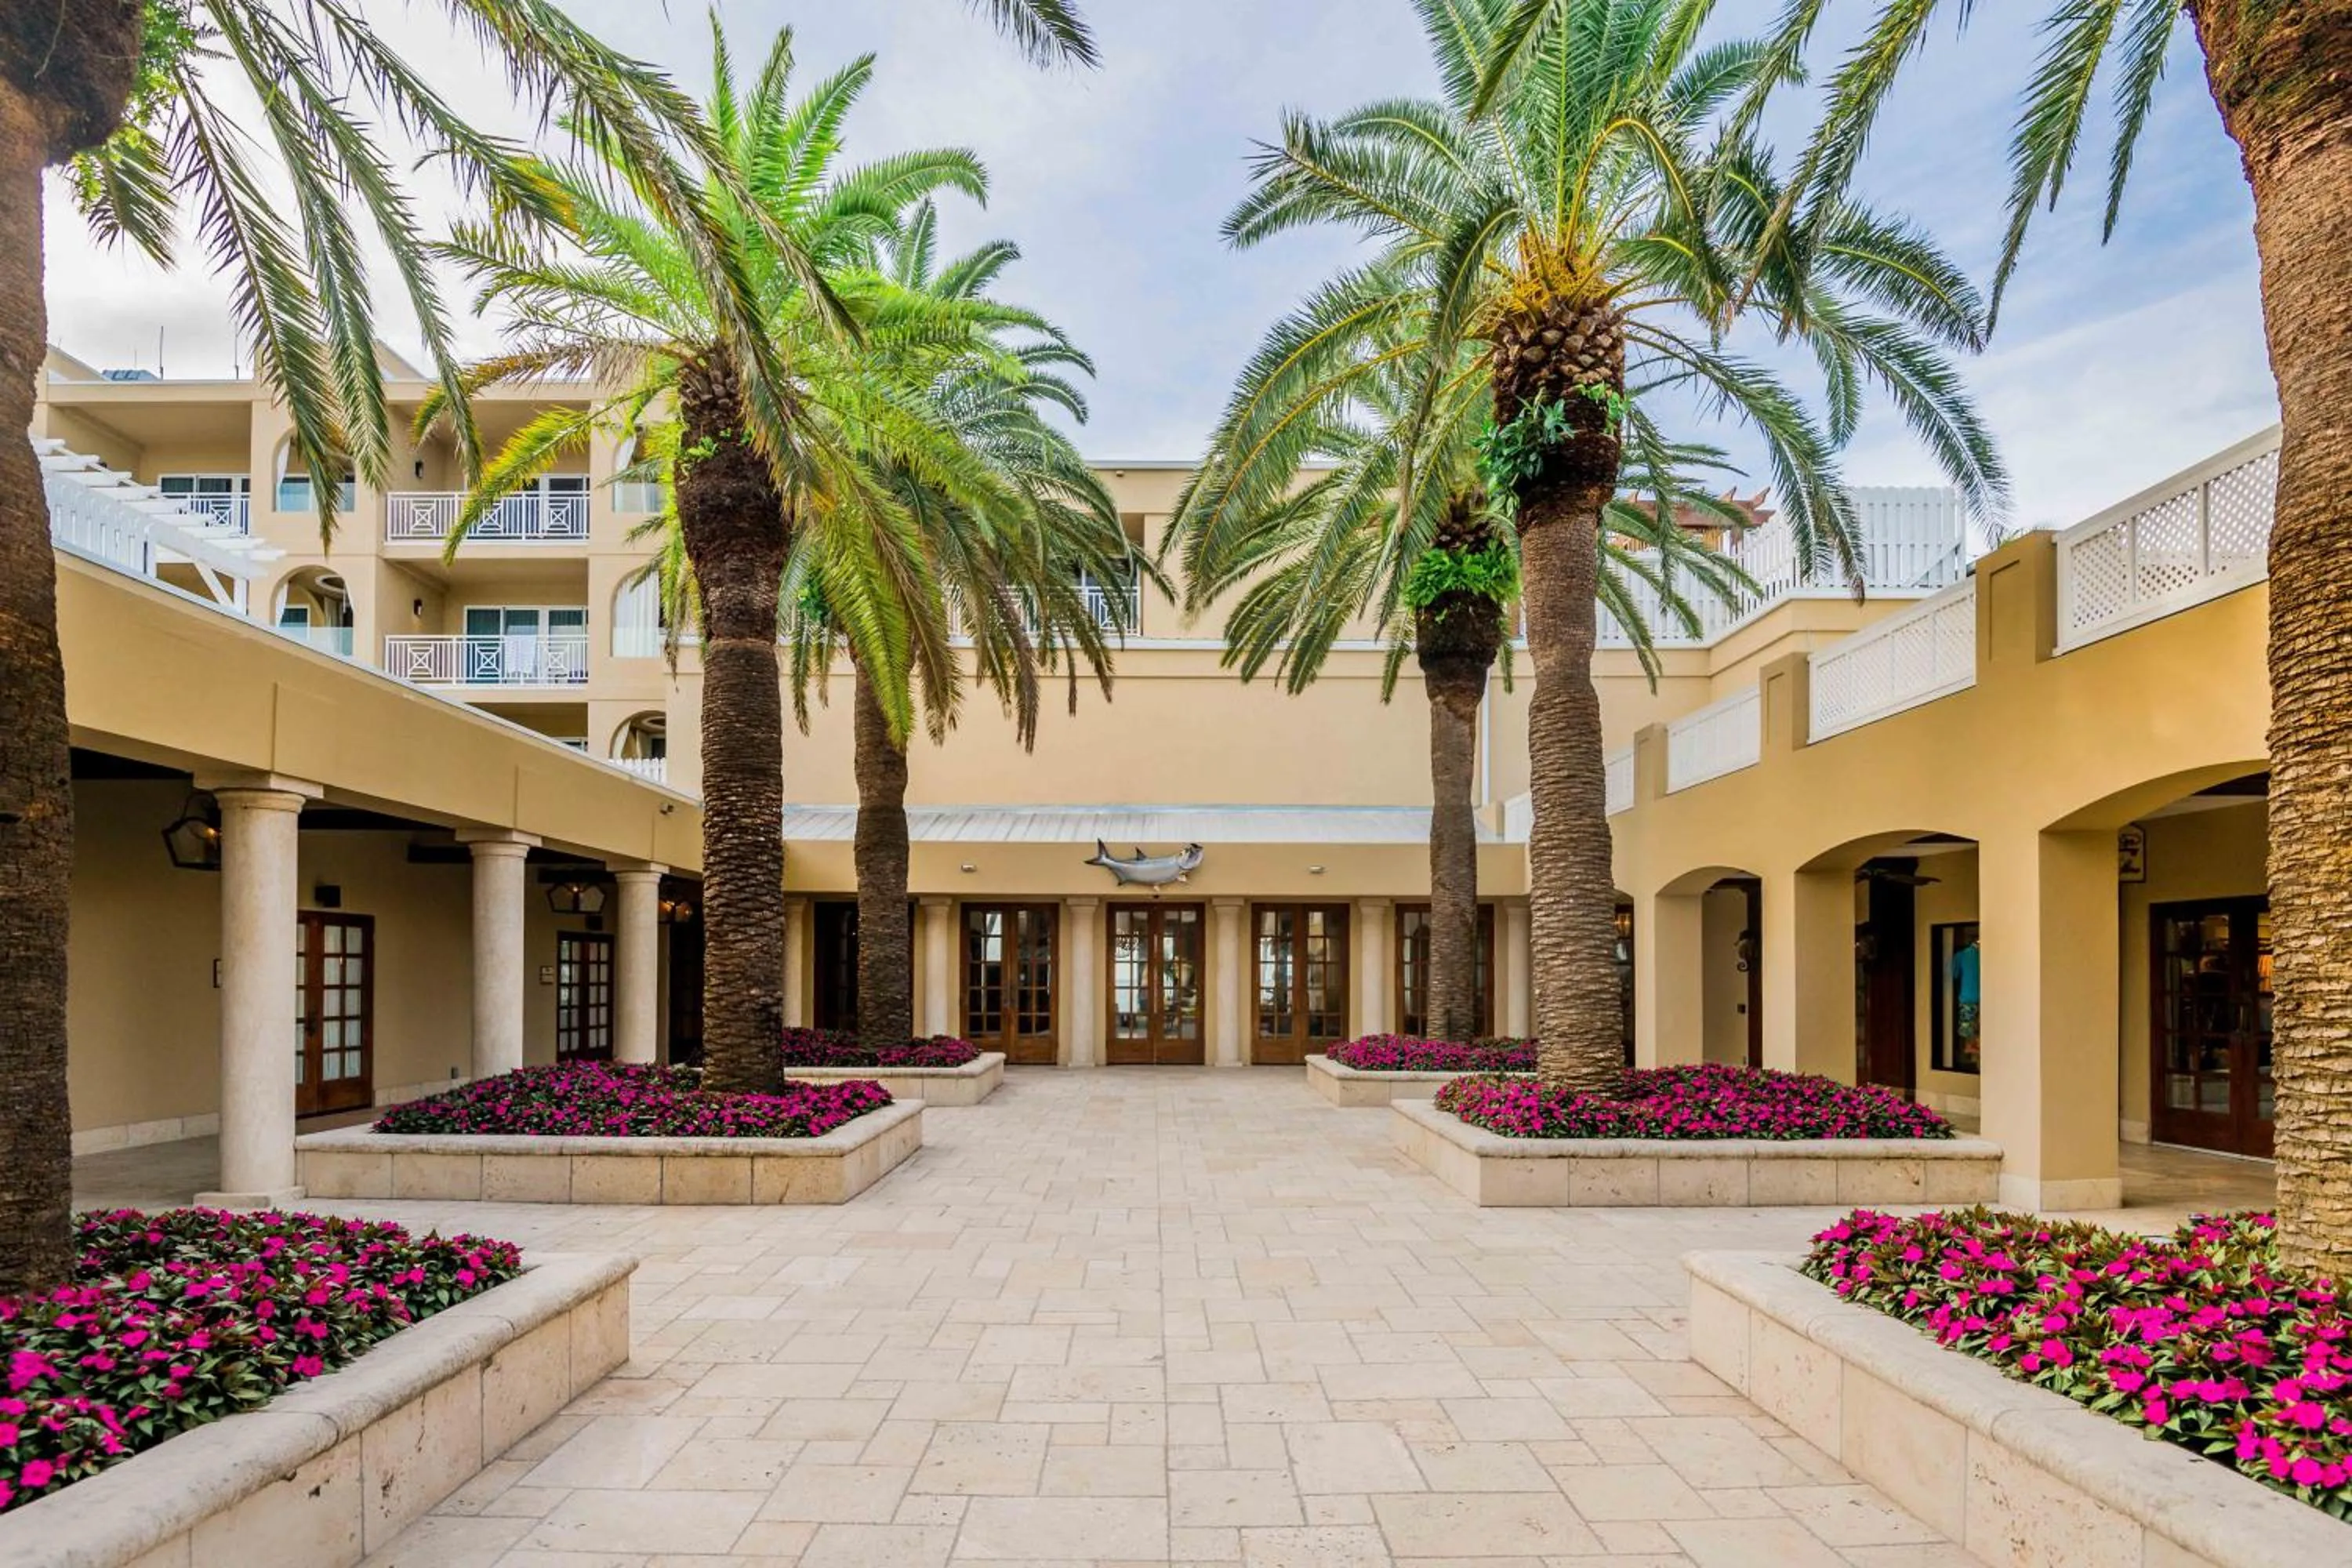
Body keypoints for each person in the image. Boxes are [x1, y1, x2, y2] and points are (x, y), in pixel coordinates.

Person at [1951, 929, 1982, 1069]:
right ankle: (1975, 1051)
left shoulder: (1961, 955)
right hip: (1985, 998)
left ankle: (1973, 1049)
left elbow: (1954, 974)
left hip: (1968, 997)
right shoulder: (1987, 956)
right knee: (1980, 1030)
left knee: (1969, 1030)